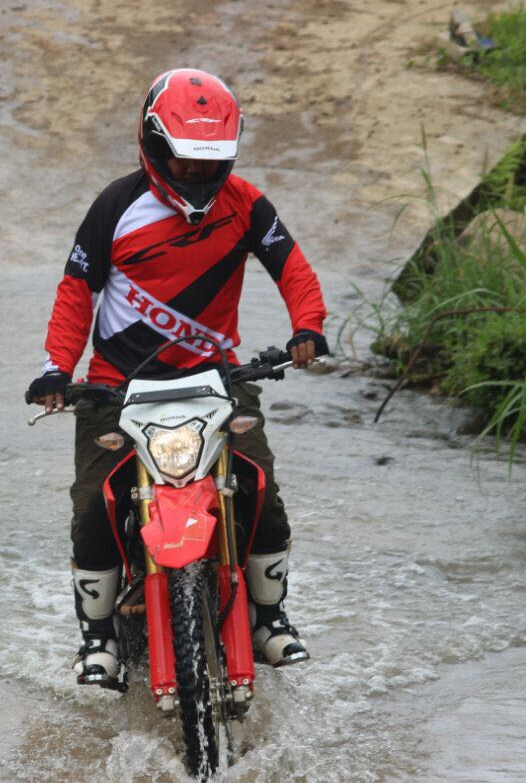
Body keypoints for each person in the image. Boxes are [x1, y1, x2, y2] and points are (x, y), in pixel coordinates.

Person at [27, 68, 329, 688]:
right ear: (152, 143)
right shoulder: (114, 207)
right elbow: (75, 293)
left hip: (218, 379)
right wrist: (57, 368)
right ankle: (98, 637)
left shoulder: (247, 204)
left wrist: (308, 327)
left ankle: (270, 618)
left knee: (259, 487)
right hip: (115, 388)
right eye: (184, 161)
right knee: (94, 503)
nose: (195, 174)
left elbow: (293, 269)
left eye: (207, 163)